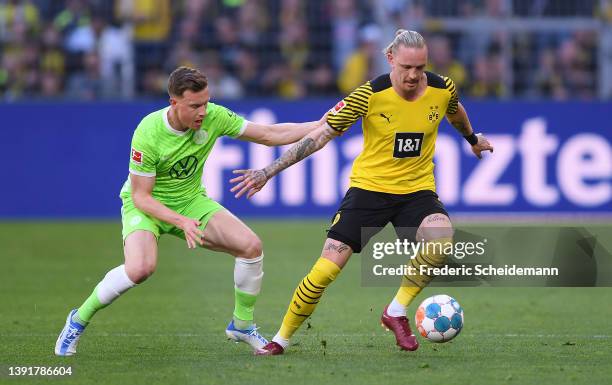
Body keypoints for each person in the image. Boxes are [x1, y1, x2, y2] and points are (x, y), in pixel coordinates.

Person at [230, 30, 493, 355]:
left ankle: (396, 311)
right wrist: (268, 171)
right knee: (326, 269)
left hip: (417, 191)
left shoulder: (442, 88)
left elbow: (455, 110)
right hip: (369, 191)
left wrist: (472, 139)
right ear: (391, 59)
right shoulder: (368, 95)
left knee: (441, 238)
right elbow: (321, 135)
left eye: (420, 67)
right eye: (407, 67)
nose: (413, 75)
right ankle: (280, 340)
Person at [55, 66, 326, 356]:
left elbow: (270, 134)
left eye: (206, 103)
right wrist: (180, 221)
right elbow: (141, 196)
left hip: (190, 201)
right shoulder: (148, 133)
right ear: (174, 103)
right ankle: (77, 320)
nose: (202, 112)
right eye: (195, 106)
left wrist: (319, 124)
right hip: (147, 206)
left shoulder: (214, 117)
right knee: (140, 268)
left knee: (251, 247)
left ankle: (242, 325)